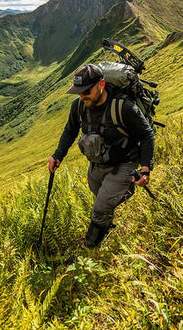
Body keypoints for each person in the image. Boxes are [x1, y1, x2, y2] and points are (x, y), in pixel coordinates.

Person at [48, 63, 155, 248]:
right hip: (97, 166)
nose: (82, 95)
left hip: (124, 164)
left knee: (100, 209)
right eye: (79, 91)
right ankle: (107, 223)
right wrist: (58, 155)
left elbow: (146, 134)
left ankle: (89, 249)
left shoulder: (124, 107)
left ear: (102, 85)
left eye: (87, 90)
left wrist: (145, 169)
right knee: (101, 199)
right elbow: (70, 131)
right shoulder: (79, 106)